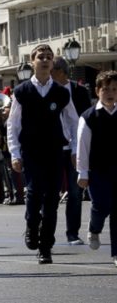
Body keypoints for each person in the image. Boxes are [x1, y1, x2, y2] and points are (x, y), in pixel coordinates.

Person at [8, 44, 79, 264]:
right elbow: (13, 125)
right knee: (34, 193)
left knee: (52, 199)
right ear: (33, 62)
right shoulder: (21, 92)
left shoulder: (60, 92)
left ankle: (46, 246)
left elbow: (73, 122)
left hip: (54, 151)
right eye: (41, 56)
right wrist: (14, 153)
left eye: (49, 57)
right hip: (31, 151)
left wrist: (76, 150)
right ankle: (31, 225)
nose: (45, 60)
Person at [76, 70, 117, 268]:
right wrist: (82, 172)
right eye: (106, 89)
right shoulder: (89, 117)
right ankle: (94, 228)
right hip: (97, 171)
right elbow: (82, 147)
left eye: (115, 89)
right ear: (97, 91)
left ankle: (116, 252)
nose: (110, 93)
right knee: (101, 205)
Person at [51, 56, 92, 245]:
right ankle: (46, 232)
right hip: (53, 147)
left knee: (75, 192)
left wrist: (80, 147)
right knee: (50, 192)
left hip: (75, 146)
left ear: (60, 71)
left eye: (52, 70)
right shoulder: (46, 91)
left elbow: (85, 119)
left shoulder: (79, 91)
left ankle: (72, 233)